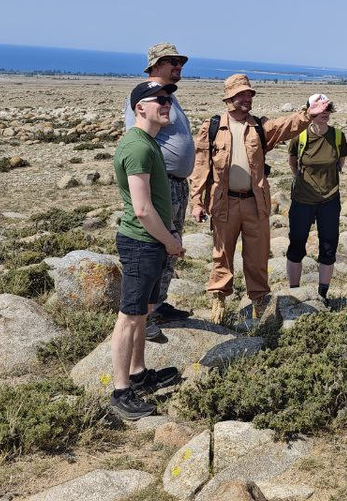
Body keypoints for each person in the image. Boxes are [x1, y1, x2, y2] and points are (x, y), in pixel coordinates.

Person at [189, 74, 330, 323]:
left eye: (249, 94)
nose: (247, 99)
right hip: (224, 202)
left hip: (255, 203)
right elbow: (201, 166)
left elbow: (286, 126)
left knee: (257, 255)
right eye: (242, 94)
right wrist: (197, 201)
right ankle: (219, 300)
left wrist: (308, 114)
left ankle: (259, 302)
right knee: (222, 253)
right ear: (229, 97)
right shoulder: (211, 128)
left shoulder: (259, 127)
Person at [109, 81, 185, 420]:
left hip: (151, 241)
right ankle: (121, 391)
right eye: (160, 100)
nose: (167, 104)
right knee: (128, 316)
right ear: (140, 107)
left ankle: (139, 373)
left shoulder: (148, 143)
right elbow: (141, 208)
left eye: (169, 99)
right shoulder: (137, 147)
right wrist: (169, 240)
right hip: (141, 242)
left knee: (143, 312)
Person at [123, 42, 194, 342]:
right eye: (172, 61)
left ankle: (158, 305)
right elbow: (137, 137)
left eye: (180, 62)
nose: (178, 66)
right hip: (161, 183)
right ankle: (146, 316)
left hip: (177, 184)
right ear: (155, 64)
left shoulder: (167, 98)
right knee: (160, 245)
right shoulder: (145, 98)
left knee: (171, 246)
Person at [285, 93, 347, 299]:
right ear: (310, 111)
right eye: (320, 109)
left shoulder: (338, 136)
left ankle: (323, 294)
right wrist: (301, 180)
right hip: (302, 200)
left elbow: (340, 163)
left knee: (329, 247)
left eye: (328, 109)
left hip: (329, 200)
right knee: (296, 244)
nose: (325, 113)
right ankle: (294, 293)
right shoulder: (300, 136)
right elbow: (293, 161)